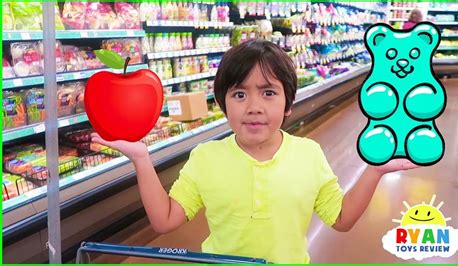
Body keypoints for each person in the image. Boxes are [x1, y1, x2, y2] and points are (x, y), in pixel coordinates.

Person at [92, 40, 418, 263]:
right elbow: (164, 221)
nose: (254, 107)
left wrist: (373, 170)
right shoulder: (206, 157)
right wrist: (140, 158)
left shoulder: (309, 154)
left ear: (288, 104)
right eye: (239, 95)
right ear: (222, 104)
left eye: (268, 92)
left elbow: (342, 218)